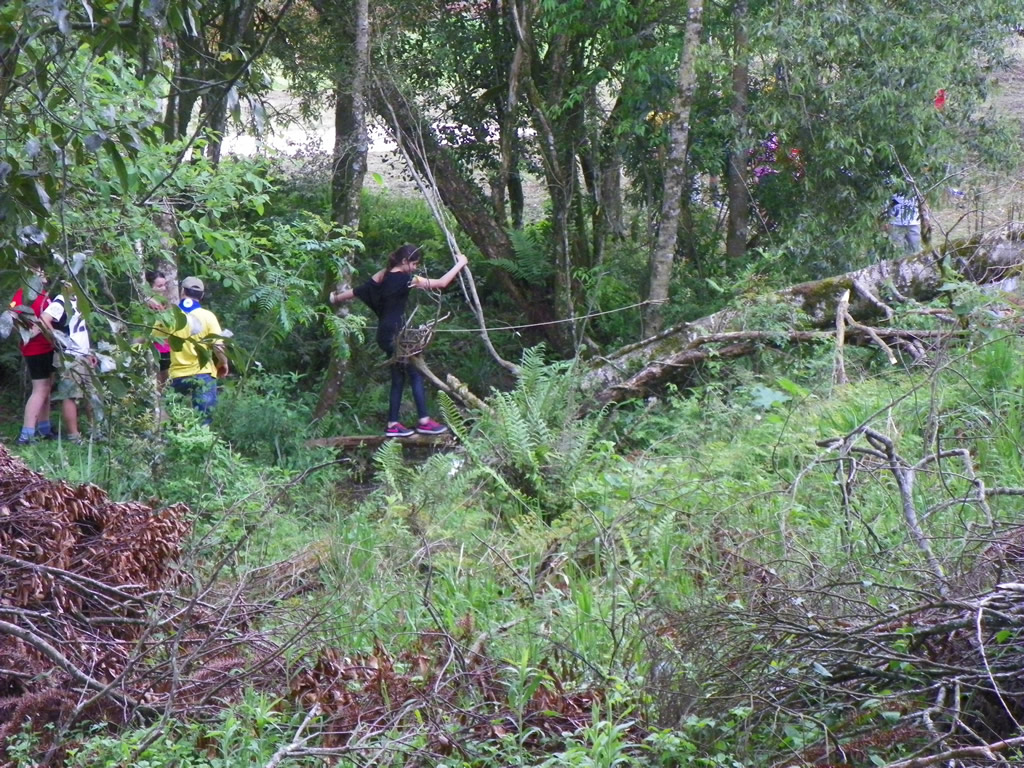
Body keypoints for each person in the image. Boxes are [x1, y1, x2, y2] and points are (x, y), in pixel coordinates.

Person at [330, 245, 468, 437]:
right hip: (396, 336)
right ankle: (424, 422)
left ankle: (393, 424)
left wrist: (336, 298)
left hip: (384, 335)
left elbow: (359, 290)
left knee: (398, 378)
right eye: (414, 264)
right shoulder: (408, 280)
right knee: (416, 374)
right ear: (404, 262)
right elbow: (442, 283)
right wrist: (461, 263)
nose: (415, 268)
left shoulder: (383, 275)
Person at [158, 276, 229, 424]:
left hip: (176, 376)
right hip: (204, 374)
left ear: (182, 291)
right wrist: (223, 363)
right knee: (204, 421)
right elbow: (218, 346)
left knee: (173, 422)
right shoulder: (208, 317)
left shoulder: (169, 316)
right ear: (201, 295)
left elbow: (149, 338)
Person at [45, 285, 101, 444]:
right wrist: (57, 338)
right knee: (70, 395)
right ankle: (74, 435)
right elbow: (44, 319)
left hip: (83, 353)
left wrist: (89, 351)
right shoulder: (61, 301)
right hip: (69, 355)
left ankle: (95, 430)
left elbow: (82, 330)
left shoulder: (79, 301)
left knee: (92, 392)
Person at [9, 269, 57, 445]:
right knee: (40, 389)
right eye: (39, 272)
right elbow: (11, 315)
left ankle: (44, 428)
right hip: (35, 349)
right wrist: (29, 333)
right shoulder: (23, 293)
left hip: (48, 347)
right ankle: (26, 434)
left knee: (47, 388)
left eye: (43, 272)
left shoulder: (44, 294)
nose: (43, 275)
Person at [145, 270, 172, 388]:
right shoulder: (148, 303)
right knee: (156, 382)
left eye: (165, 285)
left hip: (165, 346)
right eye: (159, 286)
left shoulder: (162, 303)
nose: (164, 289)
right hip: (153, 346)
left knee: (164, 382)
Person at [886, 188, 922, 254]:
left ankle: (916, 260)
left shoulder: (914, 184)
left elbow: (921, 199)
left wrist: (925, 217)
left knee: (916, 248)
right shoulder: (890, 183)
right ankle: (900, 260)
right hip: (895, 222)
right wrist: (886, 221)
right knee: (897, 249)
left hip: (913, 221)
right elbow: (885, 200)